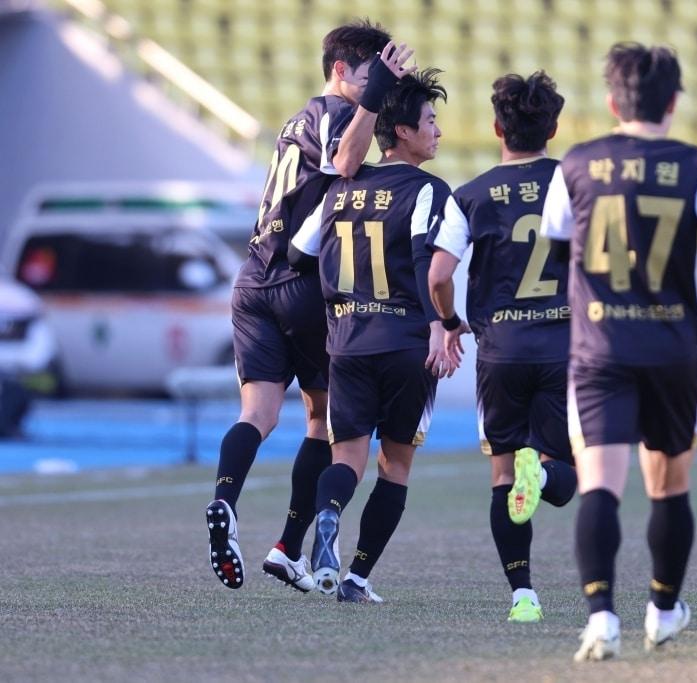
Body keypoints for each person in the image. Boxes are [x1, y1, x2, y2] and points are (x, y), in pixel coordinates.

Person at [539, 43, 697, 661]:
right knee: (669, 488)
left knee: (599, 488)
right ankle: (664, 610)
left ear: (613, 102)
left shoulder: (576, 165)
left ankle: (600, 618)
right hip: (670, 350)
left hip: (599, 351)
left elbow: (557, 251)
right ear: (673, 103)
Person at [205, 20, 416, 593]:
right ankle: (288, 547)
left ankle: (226, 502)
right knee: (322, 421)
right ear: (341, 71)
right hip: (298, 280)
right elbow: (345, 164)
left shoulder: (296, 117)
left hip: (252, 278)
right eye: (372, 74)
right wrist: (375, 103)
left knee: (258, 415)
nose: (381, 84)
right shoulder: (337, 114)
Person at [291, 69, 451, 603]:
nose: (438, 133)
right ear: (402, 131)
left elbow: (298, 253)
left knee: (346, 460)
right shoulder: (429, 189)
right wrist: (440, 325)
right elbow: (429, 260)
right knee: (396, 465)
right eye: (430, 121)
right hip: (406, 342)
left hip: (349, 343)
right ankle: (357, 576)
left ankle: (329, 516)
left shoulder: (341, 187)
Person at [426, 72, 577, 623]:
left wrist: (450, 320)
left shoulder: (471, 194)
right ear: (553, 128)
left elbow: (439, 274)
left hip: (500, 351)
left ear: (496, 128)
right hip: (565, 348)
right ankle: (548, 475)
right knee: (574, 470)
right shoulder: (576, 185)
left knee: (503, 474)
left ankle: (523, 597)